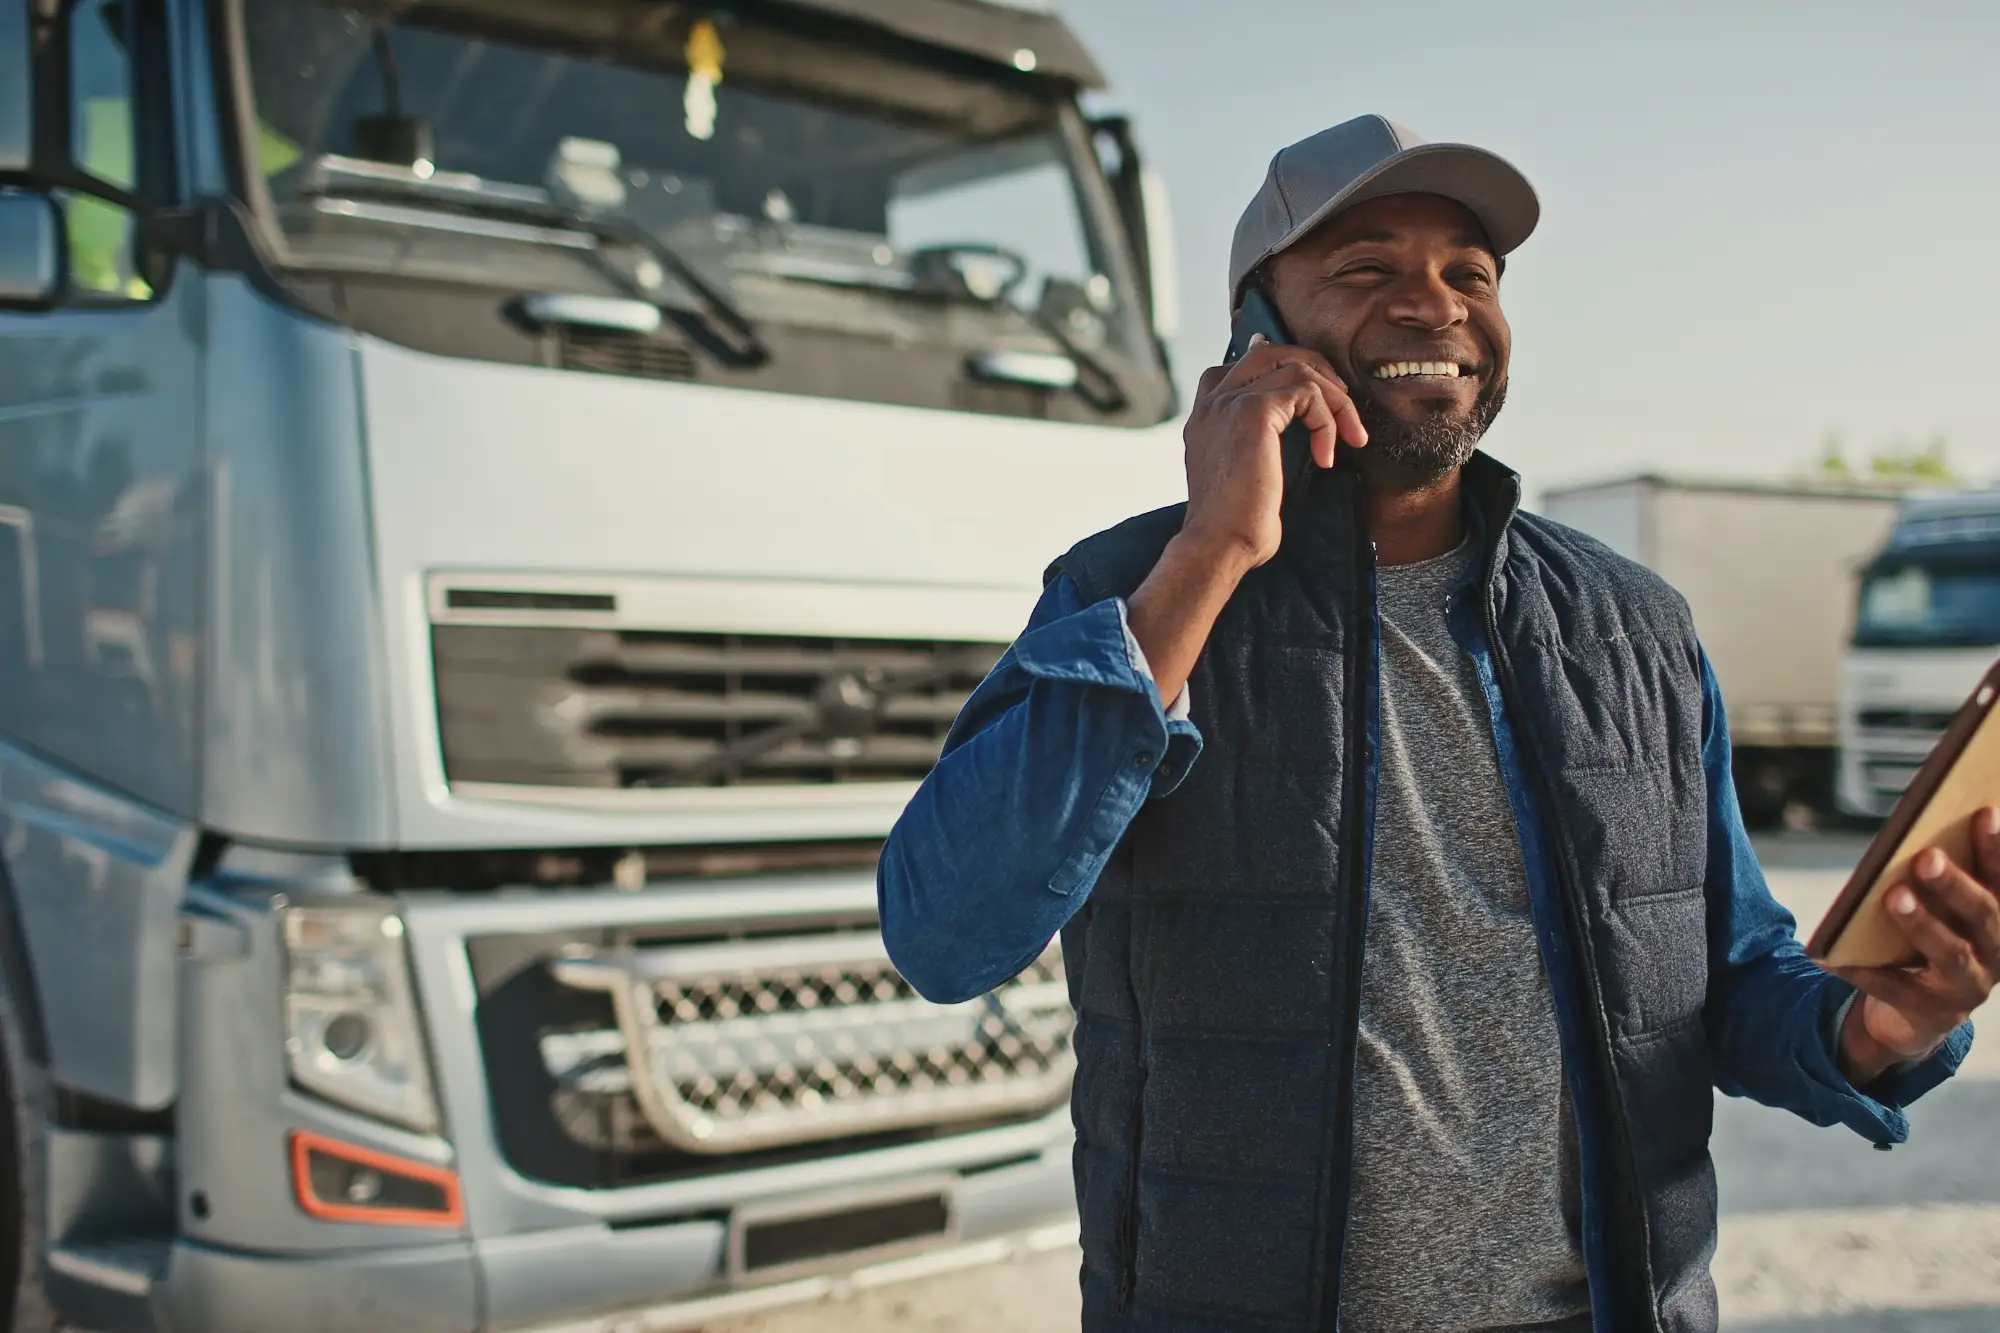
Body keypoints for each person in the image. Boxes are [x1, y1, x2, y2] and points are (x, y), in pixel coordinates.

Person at [877, 114, 1989, 1332]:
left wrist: (1874, 1023)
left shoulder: (1634, 627)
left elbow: (1722, 977)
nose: (1434, 305)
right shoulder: (1130, 593)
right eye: (1364, 270)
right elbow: (947, 931)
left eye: (1471, 273)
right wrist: (1213, 548)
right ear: (1258, 330)